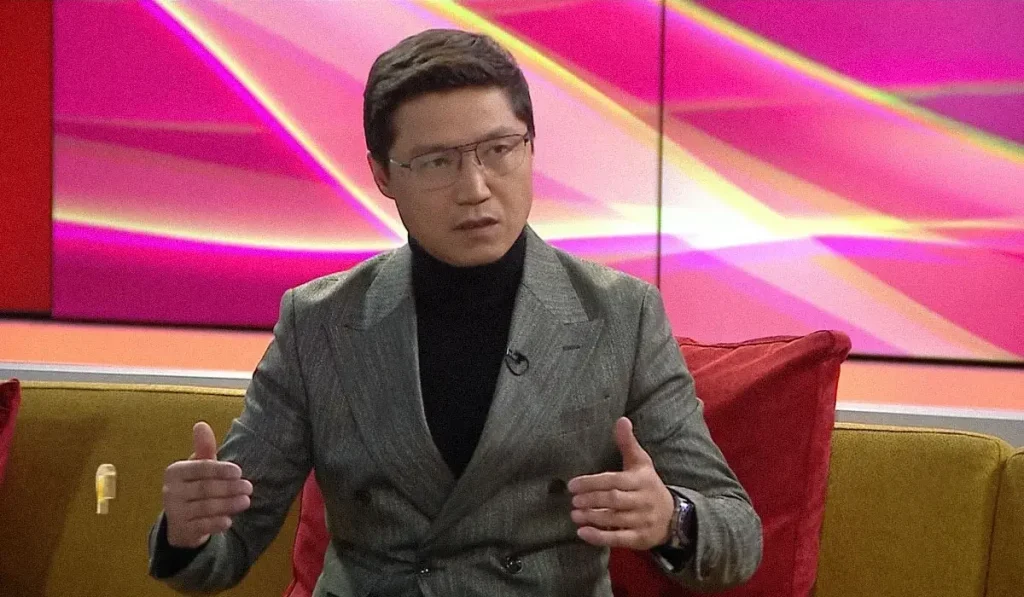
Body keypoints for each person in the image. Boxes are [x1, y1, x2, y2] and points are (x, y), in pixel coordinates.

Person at [148, 29, 762, 596]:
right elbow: (222, 555)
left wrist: (671, 518)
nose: (475, 188)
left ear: (530, 148)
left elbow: (738, 536)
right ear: (383, 174)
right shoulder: (319, 323)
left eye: (498, 149)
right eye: (437, 162)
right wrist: (188, 531)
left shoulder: (621, 316)